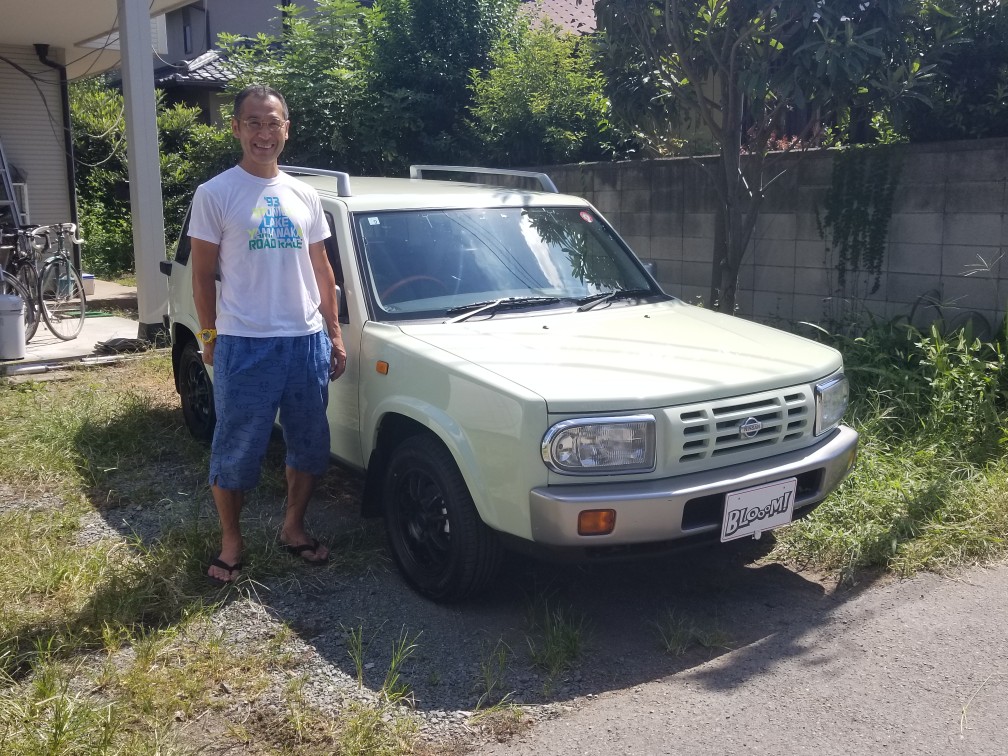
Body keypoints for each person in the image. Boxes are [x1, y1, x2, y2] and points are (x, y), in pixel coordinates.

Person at [189, 83, 347, 586]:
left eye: (272, 122)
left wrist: (334, 334)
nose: (264, 132)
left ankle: (293, 527)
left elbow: (323, 270)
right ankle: (231, 539)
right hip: (244, 342)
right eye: (253, 122)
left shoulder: (305, 195)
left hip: (305, 342)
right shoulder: (215, 193)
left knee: (309, 444)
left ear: (287, 128)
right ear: (235, 128)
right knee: (236, 447)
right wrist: (210, 334)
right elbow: (201, 274)